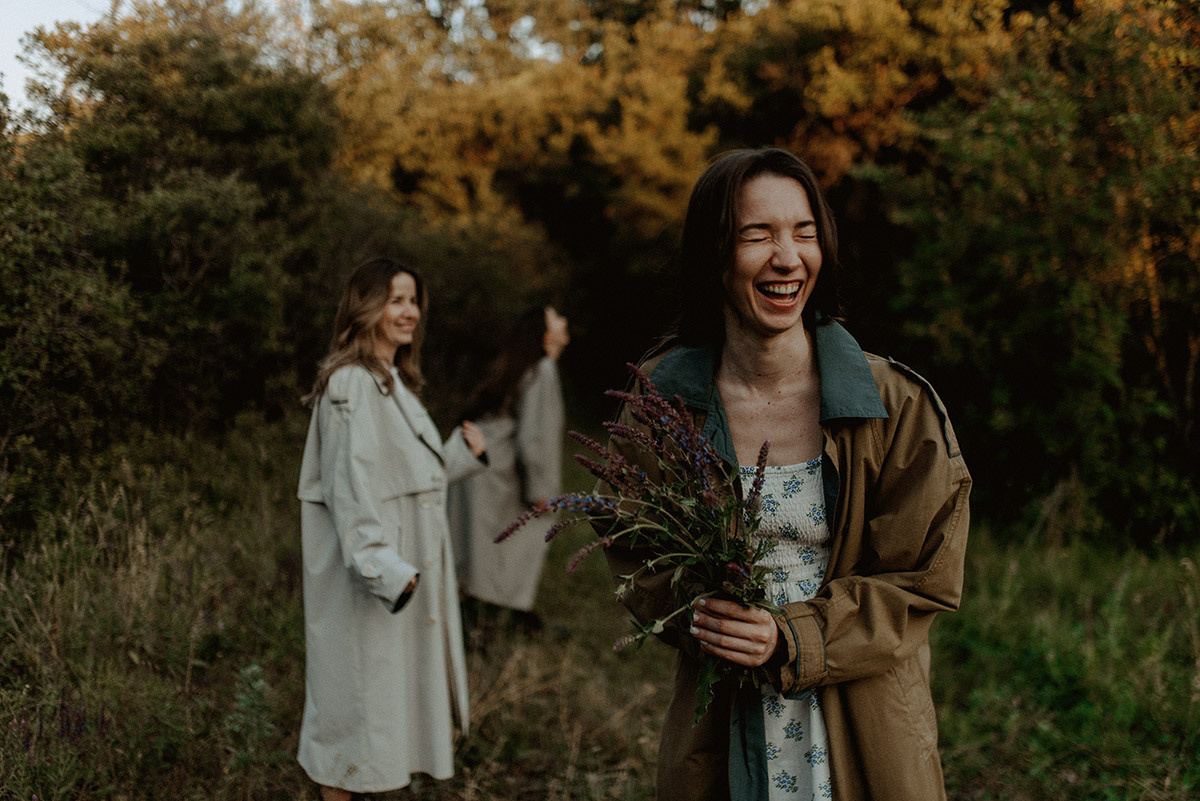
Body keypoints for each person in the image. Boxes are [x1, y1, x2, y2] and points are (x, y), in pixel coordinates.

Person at [604, 148, 972, 801]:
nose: (787, 256)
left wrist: (791, 637)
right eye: (758, 234)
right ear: (714, 254)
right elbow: (631, 543)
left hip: (864, 728)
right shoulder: (664, 404)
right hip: (723, 720)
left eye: (804, 233)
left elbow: (925, 581)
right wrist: (702, 611)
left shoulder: (896, 405)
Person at [295, 257, 488, 800]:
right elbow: (349, 487)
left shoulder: (392, 382)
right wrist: (385, 569)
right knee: (352, 725)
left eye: (414, 300)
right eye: (397, 300)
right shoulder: (352, 384)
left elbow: (404, 479)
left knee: (374, 725)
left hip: (397, 580)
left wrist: (459, 456)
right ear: (366, 308)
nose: (411, 312)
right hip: (374, 583)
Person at [449, 305, 569, 633]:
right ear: (543, 334)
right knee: (515, 540)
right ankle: (497, 620)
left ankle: (486, 617)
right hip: (491, 469)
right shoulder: (543, 369)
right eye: (556, 318)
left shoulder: (527, 369)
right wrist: (542, 492)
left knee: (482, 548)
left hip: (478, 464)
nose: (564, 322)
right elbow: (535, 438)